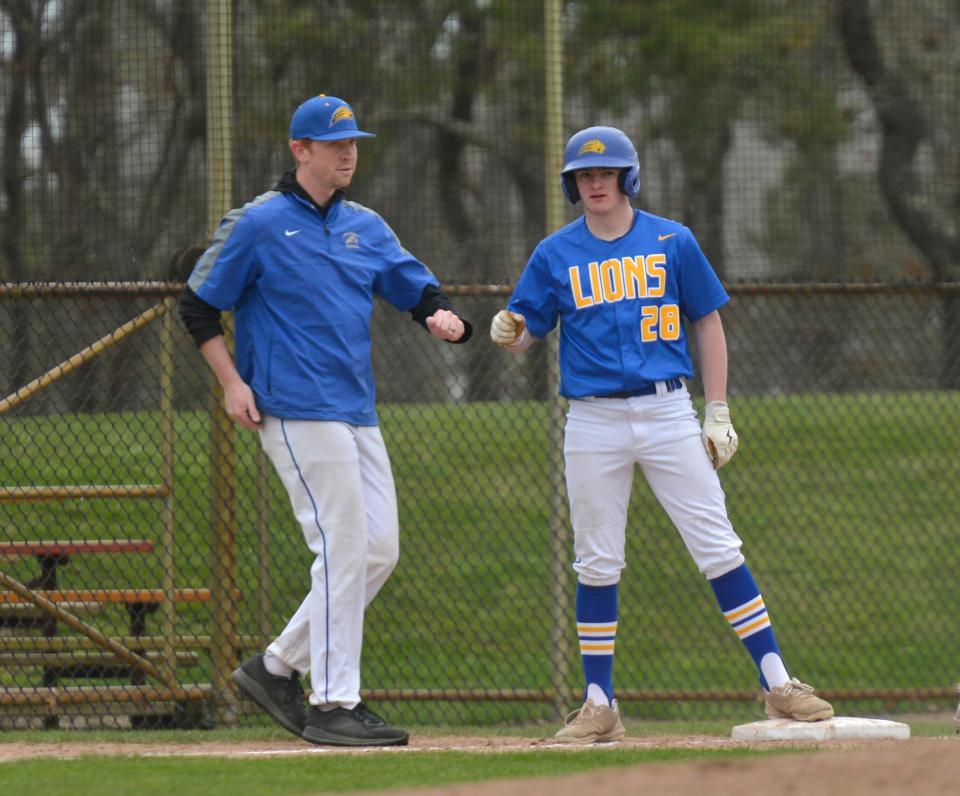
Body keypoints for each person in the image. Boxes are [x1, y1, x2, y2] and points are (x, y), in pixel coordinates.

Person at [490, 125, 832, 744]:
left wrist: (718, 409)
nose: (594, 183)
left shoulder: (673, 241)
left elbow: (708, 321)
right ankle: (600, 702)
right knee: (597, 560)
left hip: (668, 410)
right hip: (592, 419)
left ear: (627, 177)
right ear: (573, 184)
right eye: (583, 176)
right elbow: (528, 333)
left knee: (718, 544)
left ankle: (777, 681)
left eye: (605, 172)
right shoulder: (554, 253)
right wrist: (511, 331)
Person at [179, 94, 472, 747]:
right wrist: (231, 384)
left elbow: (411, 285)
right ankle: (334, 702)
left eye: (352, 142)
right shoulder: (258, 223)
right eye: (333, 142)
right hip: (291, 403)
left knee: (379, 551)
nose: (347, 153)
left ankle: (276, 665)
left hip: (355, 408)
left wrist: (439, 314)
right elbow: (198, 307)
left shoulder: (364, 224)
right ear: (299, 150)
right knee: (341, 545)